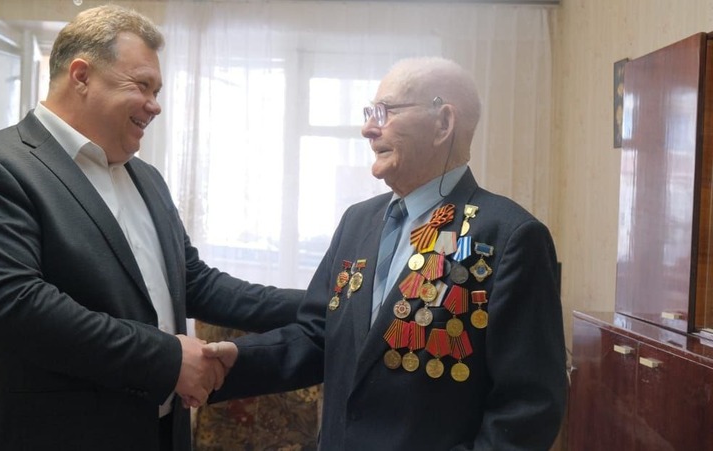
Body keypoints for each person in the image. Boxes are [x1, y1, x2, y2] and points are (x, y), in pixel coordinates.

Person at [0, 5, 302, 451]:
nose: (155, 104)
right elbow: (15, 307)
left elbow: (196, 283)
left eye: (157, 90)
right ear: (81, 76)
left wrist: (330, 305)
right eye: (142, 85)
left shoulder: (146, 177)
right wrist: (168, 359)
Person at [205, 57, 567, 450]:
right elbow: (319, 336)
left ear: (443, 123)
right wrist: (236, 359)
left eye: (386, 112)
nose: (367, 129)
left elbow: (528, 408)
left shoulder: (509, 236)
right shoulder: (358, 221)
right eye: (369, 114)